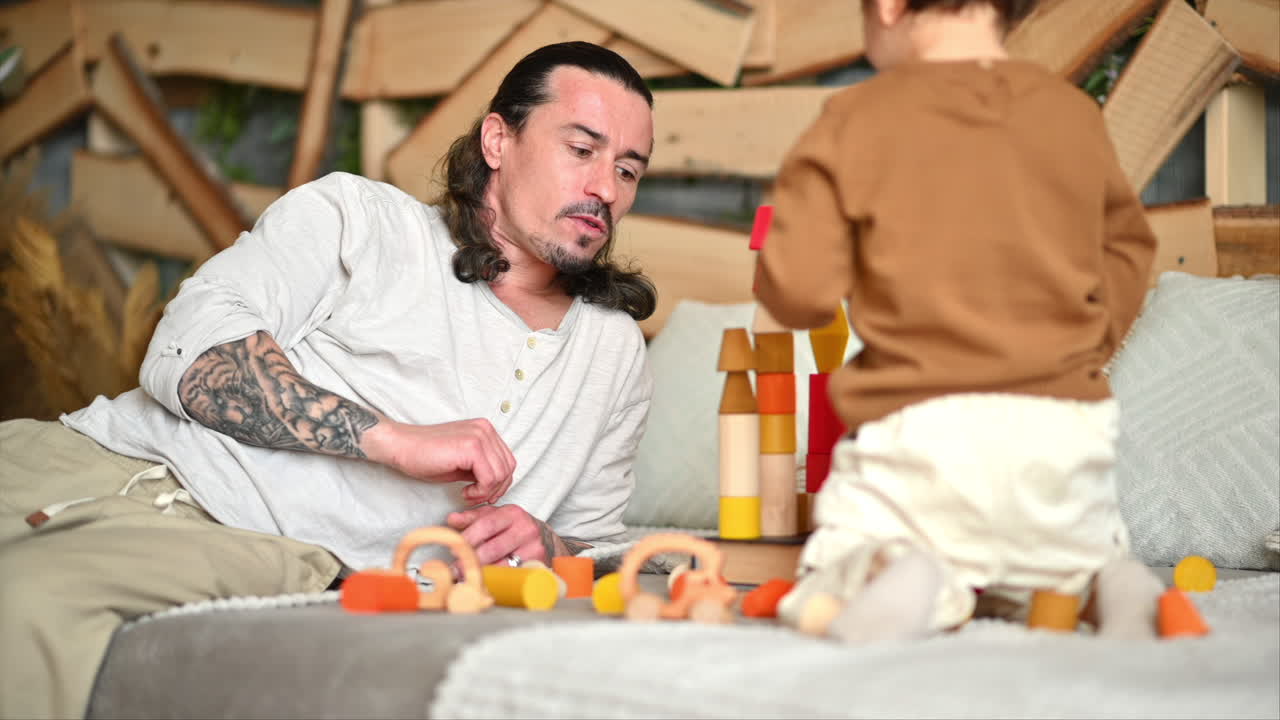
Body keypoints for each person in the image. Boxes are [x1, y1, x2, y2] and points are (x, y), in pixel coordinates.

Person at [0, 41, 657, 719]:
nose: (606, 189)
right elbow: (187, 349)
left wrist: (544, 543)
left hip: (227, 534)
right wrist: (393, 440)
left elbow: (592, 541)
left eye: (629, 170)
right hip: (86, 454)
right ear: (499, 139)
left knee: (18, 605)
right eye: (582, 149)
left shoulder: (613, 353)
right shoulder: (363, 222)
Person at [754, 0, 1163, 644]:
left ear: (888, 8)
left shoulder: (857, 117)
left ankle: (901, 568)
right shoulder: (1073, 115)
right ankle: (1108, 582)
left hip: (919, 428)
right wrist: (1082, 344)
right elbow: (1131, 250)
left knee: (848, 551)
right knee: (1069, 558)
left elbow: (800, 292)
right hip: (1065, 426)